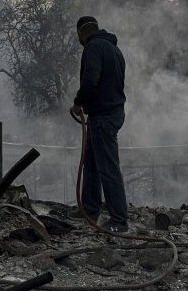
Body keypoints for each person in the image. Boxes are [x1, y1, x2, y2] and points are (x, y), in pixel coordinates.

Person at [70, 15, 129, 233]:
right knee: (92, 164)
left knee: (107, 168)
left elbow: (90, 80)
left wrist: (78, 103)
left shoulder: (93, 48)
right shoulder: (114, 49)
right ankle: (90, 209)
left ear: (80, 33)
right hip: (110, 113)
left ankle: (119, 221)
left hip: (103, 116)